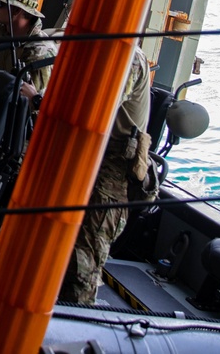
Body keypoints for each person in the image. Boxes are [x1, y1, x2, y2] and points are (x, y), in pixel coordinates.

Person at [60, 45, 152, 304]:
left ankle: (77, 321)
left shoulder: (130, 58)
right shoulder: (101, 53)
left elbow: (99, 108)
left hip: (111, 175)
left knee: (83, 263)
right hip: (90, 161)